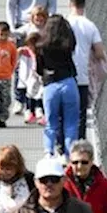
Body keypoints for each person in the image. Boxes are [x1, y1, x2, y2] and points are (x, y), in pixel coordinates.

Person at [65, 0, 107, 140]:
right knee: (80, 115)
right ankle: (80, 147)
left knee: (64, 114)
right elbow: (99, 52)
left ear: (70, 4)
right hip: (82, 76)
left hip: (63, 76)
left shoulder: (62, 24)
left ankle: (63, 150)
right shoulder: (90, 26)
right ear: (84, 5)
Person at [36, 14, 79, 156]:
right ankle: (69, 156)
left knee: (51, 123)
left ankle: (49, 153)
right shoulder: (68, 44)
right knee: (71, 124)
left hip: (51, 86)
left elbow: (39, 69)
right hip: (68, 82)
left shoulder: (42, 46)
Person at [12, 6, 48, 115]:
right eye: (37, 16)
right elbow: (17, 33)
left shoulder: (47, 29)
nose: (39, 19)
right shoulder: (28, 27)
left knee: (40, 83)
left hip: (41, 59)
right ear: (32, 17)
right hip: (28, 59)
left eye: (42, 16)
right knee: (26, 81)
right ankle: (27, 106)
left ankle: (39, 107)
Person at [16, 32, 44, 125]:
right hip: (33, 74)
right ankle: (29, 111)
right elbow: (20, 51)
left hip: (41, 75)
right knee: (30, 92)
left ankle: (39, 111)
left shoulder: (41, 51)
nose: (32, 47)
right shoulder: (29, 50)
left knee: (40, 93)